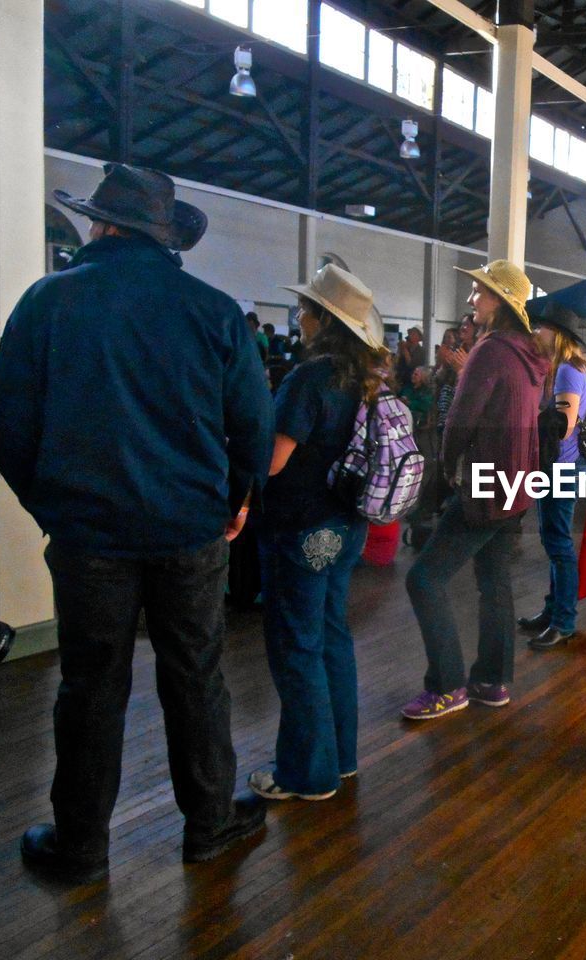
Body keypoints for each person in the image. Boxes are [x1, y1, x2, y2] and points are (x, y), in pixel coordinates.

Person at [0, 163, 273, 881]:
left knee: (90, 687)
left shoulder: (47, 303)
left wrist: (50, 504)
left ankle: (81, 846)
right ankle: (209, 825)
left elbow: (6, 424)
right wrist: (236, 499)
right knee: (197, 678)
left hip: (89, 538)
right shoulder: (213, 311)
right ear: (162, 235)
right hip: (190, 531)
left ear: (100, 225)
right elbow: (252, 424)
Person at [248, 265, 386, 801]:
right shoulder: (365, 378)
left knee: (296, 647)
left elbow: (274, 460)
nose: (298, 316)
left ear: (323, 319)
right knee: (331, 638)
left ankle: (308, 774)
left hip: (301, 527)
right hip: (346, 525)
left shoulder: (309, 378)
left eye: (305, 309)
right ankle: (340, 758)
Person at [402, 261, 548, 720]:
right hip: (517, 485)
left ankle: (447, 685)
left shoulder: (491, 351)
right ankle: (492, 679)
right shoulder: (528, 354)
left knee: (423, 579)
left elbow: (460, 420)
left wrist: (446, 468)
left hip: (487, 486)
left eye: (477, 292)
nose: (471, 301)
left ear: (500, 300)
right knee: (494, 582)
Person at [520, 310, 586, 651]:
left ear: (558, 334)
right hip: (561, 465)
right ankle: (553, 613)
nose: (537, 331)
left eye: (543, 327)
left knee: (559, 545)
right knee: (553, 542)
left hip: (561, 467)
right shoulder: (565, 369)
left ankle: (563, 620)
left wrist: (526, 415)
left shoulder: (566, 370)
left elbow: (562, 425)